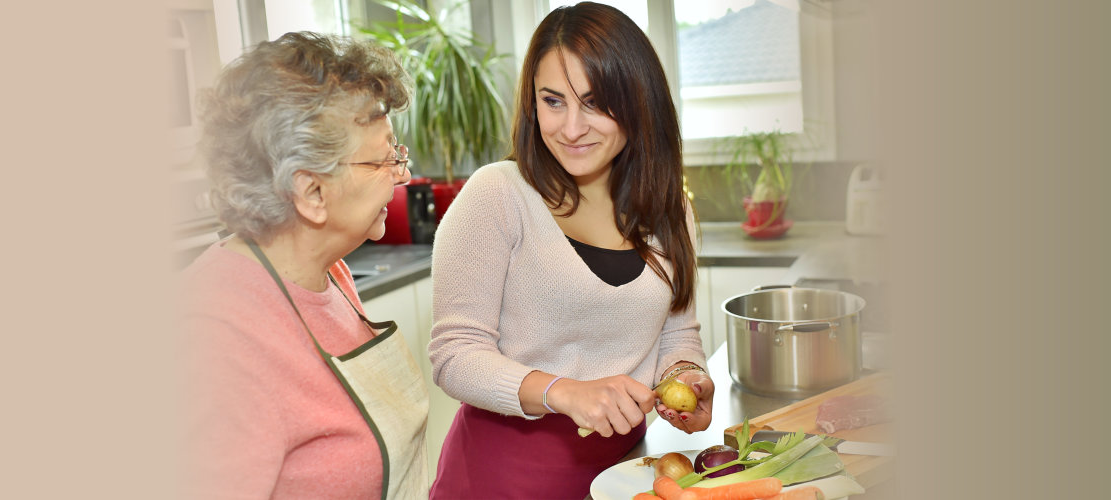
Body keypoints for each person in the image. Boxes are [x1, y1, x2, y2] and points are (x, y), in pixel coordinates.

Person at [426, 3, 714, 497]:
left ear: (638, 101)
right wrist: (564, 392)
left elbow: (676, 334)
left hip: (625, 473)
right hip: (501, 477)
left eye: (595, 102)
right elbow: (454, 355)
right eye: (553, 101)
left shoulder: (668, 211)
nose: (571, 128)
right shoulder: (498, 194)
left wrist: (687, 376)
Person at [184, 32, 428, 499]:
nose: (404, 174)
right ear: (312, 193)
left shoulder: (326, 272)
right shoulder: (214, 339)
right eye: (384, 159)